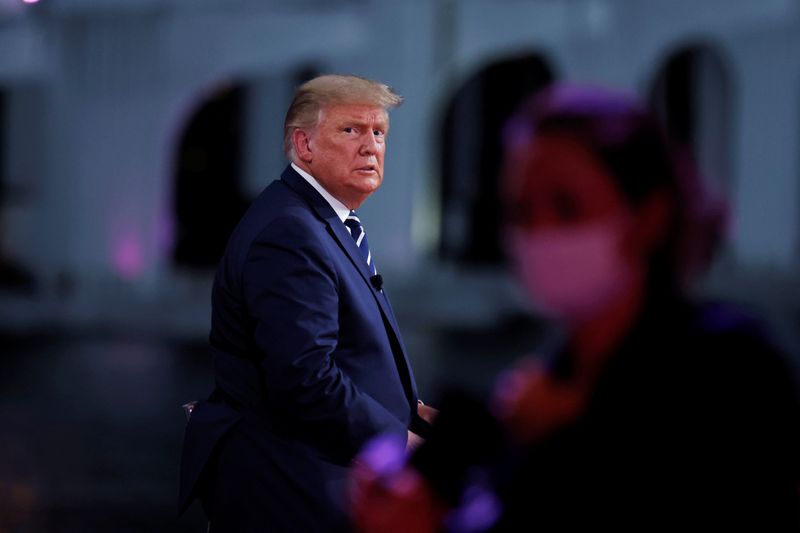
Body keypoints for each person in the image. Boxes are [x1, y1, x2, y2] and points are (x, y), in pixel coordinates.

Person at [351, 84, 800, 531]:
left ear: (649, 215)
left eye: (566, 207)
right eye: (521, 211)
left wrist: (583, 427)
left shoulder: (730, 365)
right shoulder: (538, 386)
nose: (540, 233)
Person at [179, 74, 435, 532]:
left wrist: (409, 409)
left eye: (379, 132)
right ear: (304, 144)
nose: (371, 146)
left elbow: (339, 356)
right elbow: (304, 378)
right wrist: (399, 440)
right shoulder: (291, 232)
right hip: (293, 493)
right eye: (351, 130)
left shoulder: (321, 221)